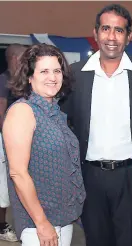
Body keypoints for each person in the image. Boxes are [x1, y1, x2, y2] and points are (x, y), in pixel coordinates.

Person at [60, 3, 132, 246]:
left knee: (131, 241)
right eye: (106, 29)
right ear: (95, 33)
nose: (112, 37)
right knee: (96, 240)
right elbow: (62, 125)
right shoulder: (75, 75)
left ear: (128, 37)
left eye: (119, 30)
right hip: (89, 177)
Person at [2, 43, 86, 246]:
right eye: (44, 71)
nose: (53, 77)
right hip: (38, 223)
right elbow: (18, 173)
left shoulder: (54, 113)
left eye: (57, 71)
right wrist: (41, 223)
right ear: (30, 77)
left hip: (62, 219)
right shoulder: (22, 111)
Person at [0, 43, 27, 242]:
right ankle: (2, 227)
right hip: (5, 141)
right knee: (2, 186)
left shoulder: (23, 81)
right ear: (16, 58)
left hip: (19, 140)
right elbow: (1, 113)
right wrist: (10, 140)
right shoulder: (4, 80)